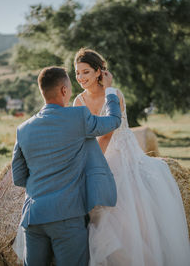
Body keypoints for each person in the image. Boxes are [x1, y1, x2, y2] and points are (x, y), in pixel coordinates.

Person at [73, 48, 190, 266]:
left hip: (122, 157)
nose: (80, 78)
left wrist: (93, 167)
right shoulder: (78, 101)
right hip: (95, 156)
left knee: (127, 217)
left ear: (99, 72)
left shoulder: (114, 95)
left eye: (86, 72)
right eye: (77, 73)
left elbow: (108, 134)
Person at [12, 66, 122, 266]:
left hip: (33, 218)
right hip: (67, 216)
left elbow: (18, 177)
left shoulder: (23, 129)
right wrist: (110, 91)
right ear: (64, 91)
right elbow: (113, 121)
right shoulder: (78, 117)